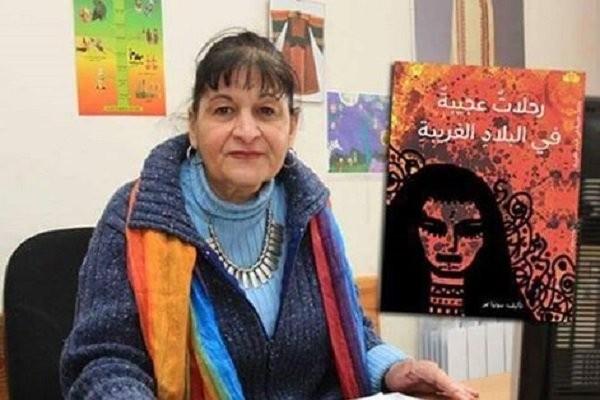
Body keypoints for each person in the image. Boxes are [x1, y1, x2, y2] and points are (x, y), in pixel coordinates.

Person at [60, 30, 478, 399]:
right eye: (224, 110)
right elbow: (103, 360)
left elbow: (348, 334)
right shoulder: (136, 216)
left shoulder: (311, 212)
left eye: (266, 111)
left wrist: (396, 369)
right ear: (193, 125)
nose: (247, 131)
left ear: (291, 127)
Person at [380, 163, 526, 318]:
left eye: (470, 230)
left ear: (489, 235)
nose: (451, 244)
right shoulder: (387, 297)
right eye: (433, 228)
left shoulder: (505, 308)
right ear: (410, 231)